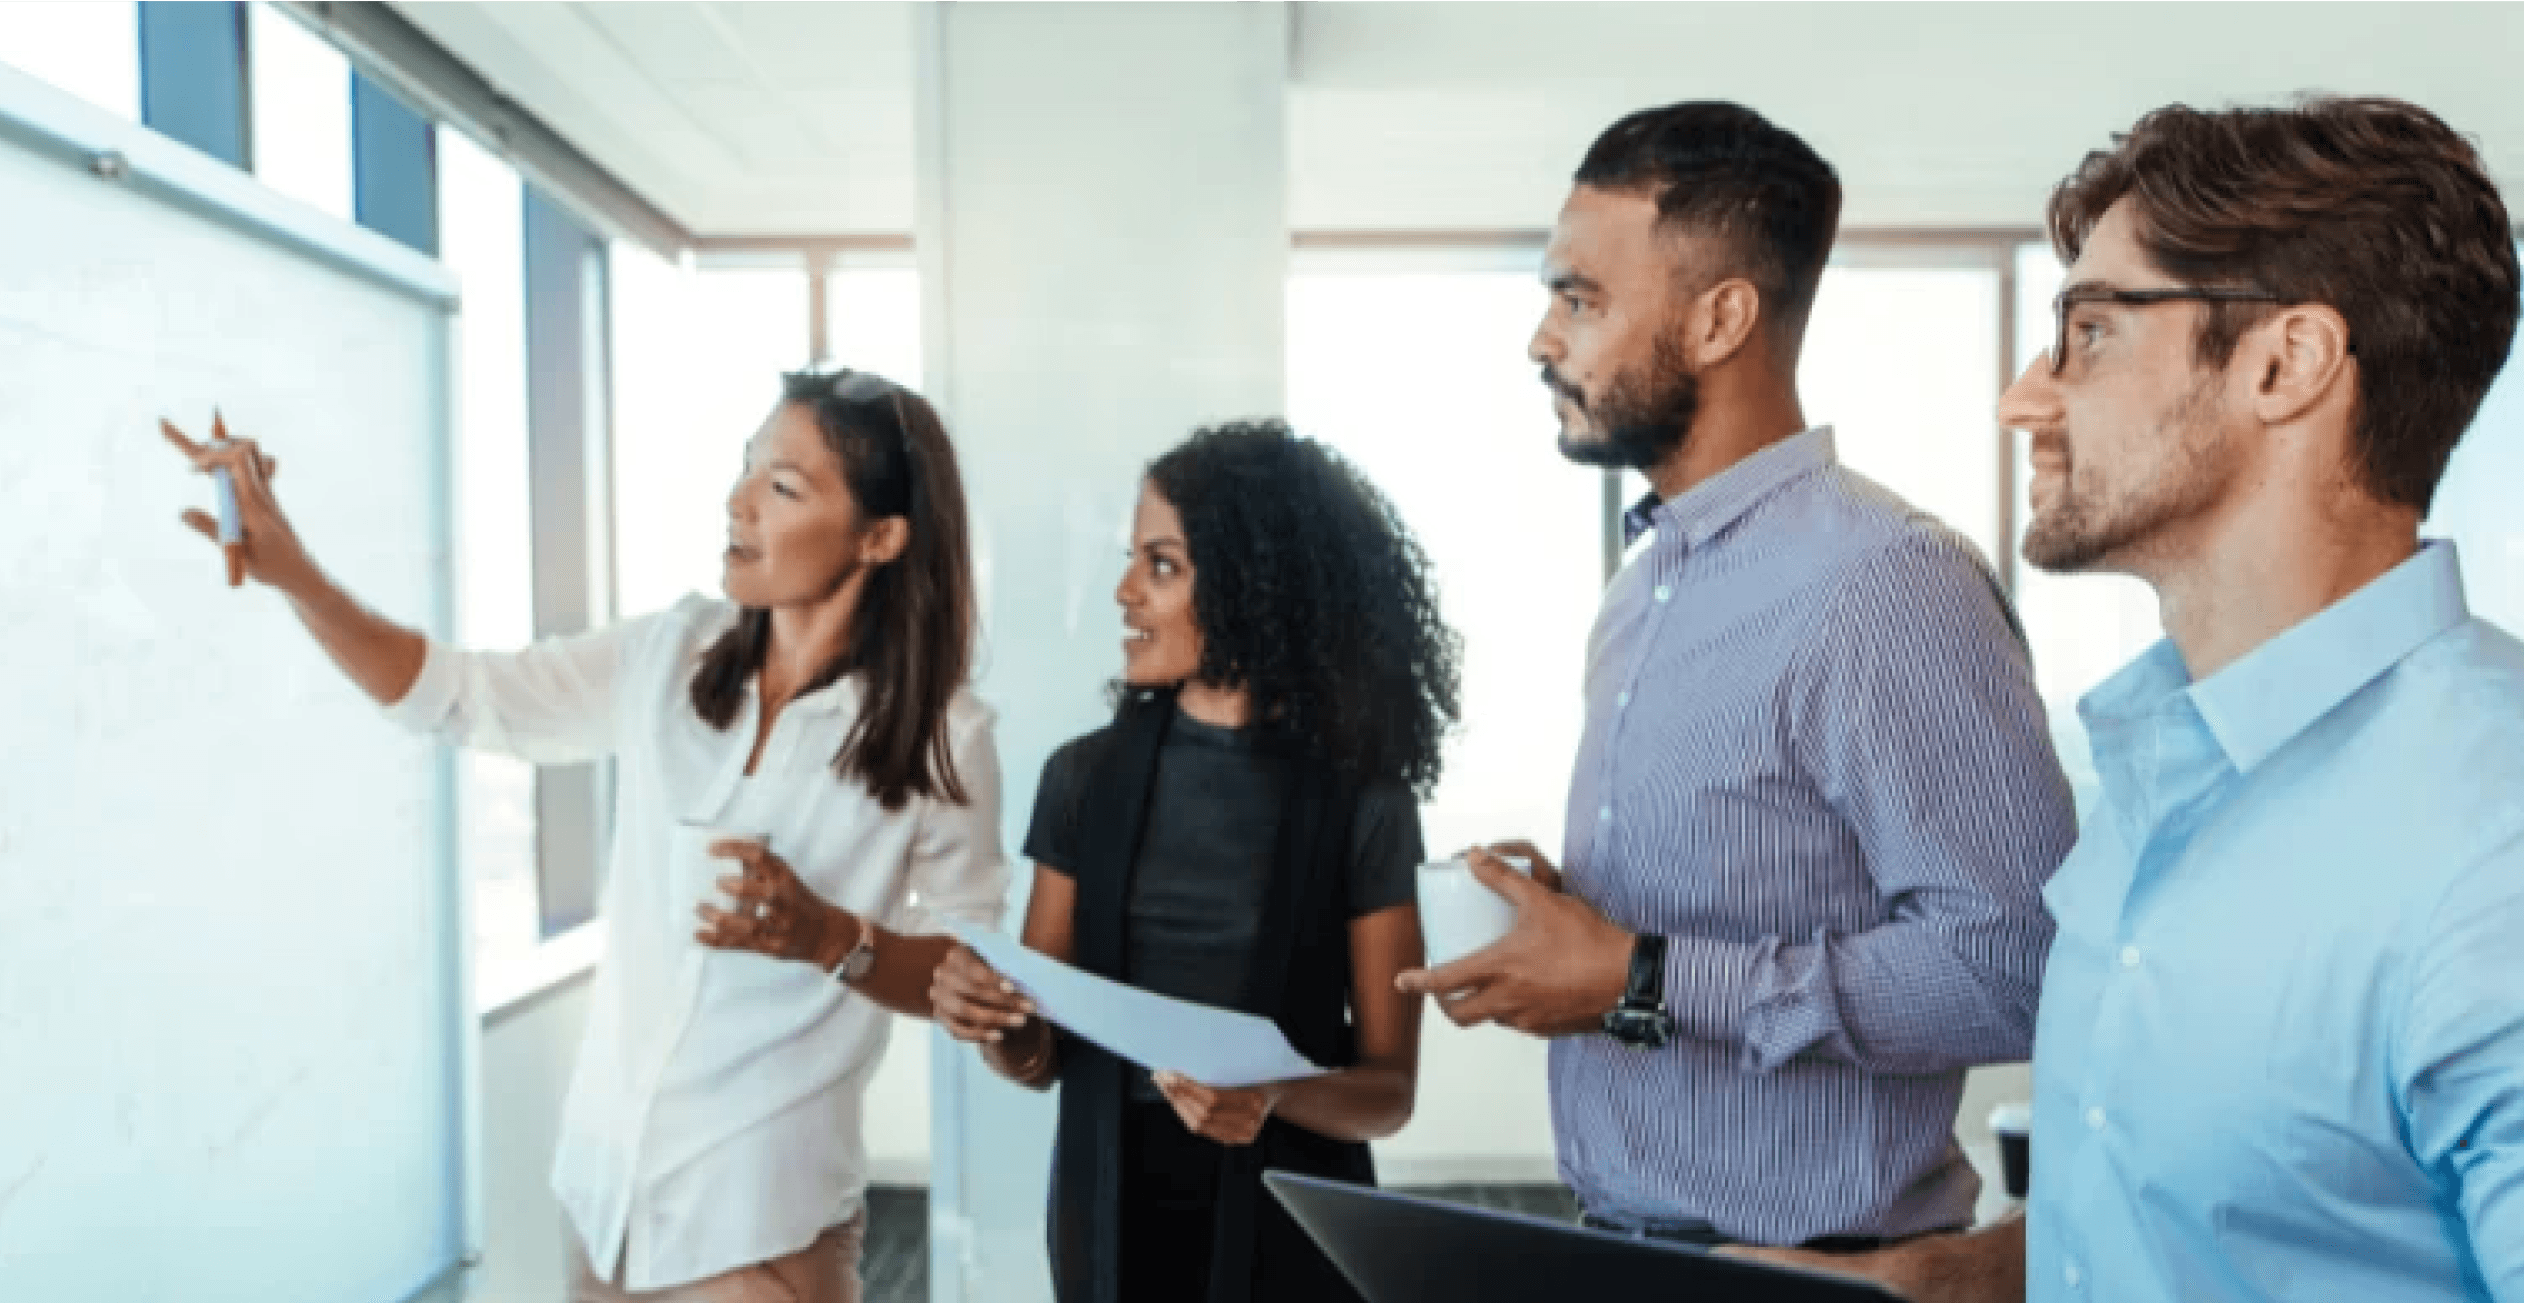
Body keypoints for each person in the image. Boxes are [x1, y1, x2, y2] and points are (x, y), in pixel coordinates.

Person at [1739, 95, 2524, 1303]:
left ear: (2285, 363)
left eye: (2090, 331)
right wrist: (1940, 1282)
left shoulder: (2491, 840)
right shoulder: (2164, 766)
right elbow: (2204, 1218)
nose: (2025, 400)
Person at [159, 369, 1009, 1303]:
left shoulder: (944, 731)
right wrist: (296, 575)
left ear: (880, 536)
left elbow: (965, 973)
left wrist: (827, 938)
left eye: (784, 487)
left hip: (760, 1224)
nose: (738, 501)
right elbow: (453, 693)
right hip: (607, 1198)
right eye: (745, 468)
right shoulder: (669, 653)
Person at [1395, 100, 2078, 1251]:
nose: (1541, 340)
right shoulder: (1642, 586)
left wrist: (1635, 976)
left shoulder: (1885, 583)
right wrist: (1579, 925)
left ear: (1719, 319)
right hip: (1617, 1238)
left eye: (1579, 298)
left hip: (1814, 1271)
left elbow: (2020, 962)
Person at [928, 420, 1459, 1303]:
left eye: (1162, 564)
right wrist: (995, 1019)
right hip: (1112, 1221)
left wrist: (1271, 1095)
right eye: (1134, 559)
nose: (1125, 591)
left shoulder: (1364, 803)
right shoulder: (1082, 780)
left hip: (1292, 1228)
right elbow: (1040, 1053)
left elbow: (1387, 1090)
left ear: (1256, 584)